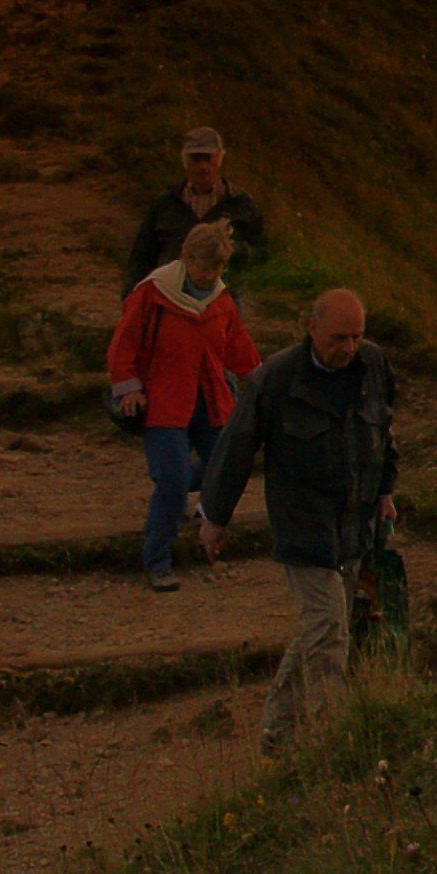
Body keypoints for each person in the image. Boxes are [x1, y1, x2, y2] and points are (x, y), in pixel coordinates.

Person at [197, 288, 397, 754]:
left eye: (356, 336)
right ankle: (337, 739)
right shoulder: (276, 380)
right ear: (311, 329)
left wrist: (386, 490)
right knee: (328, 627)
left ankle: (278, 732)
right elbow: (236, 447)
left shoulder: (374, 366)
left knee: (322, 627)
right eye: (337, 338)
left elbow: (386, 432)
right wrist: (216, 517)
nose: (347, 348)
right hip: (301, 522)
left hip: (352, 521)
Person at [107, 221, 260, 593]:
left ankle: (168, 479)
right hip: (164, 400)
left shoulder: (220, 300)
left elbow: (237, 345)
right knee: (175, 484)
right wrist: (128, 387)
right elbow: (123, 343)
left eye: (217, 269)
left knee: (219, 469)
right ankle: (158, 559)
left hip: (208, 398)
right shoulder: (153, 293)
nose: (210, 276)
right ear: (185, 258)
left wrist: (260, 381)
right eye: (205, 268)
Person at [123, 127, 269, 294]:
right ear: (185, 161)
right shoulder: (165, 204)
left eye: (208, 158)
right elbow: (141, 255)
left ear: (220, 158)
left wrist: (233, 252)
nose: (203, 166)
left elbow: (262, 251)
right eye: (196, 159)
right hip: (173, 293)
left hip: (224, 296)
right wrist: (131, 295)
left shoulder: (241, 203)